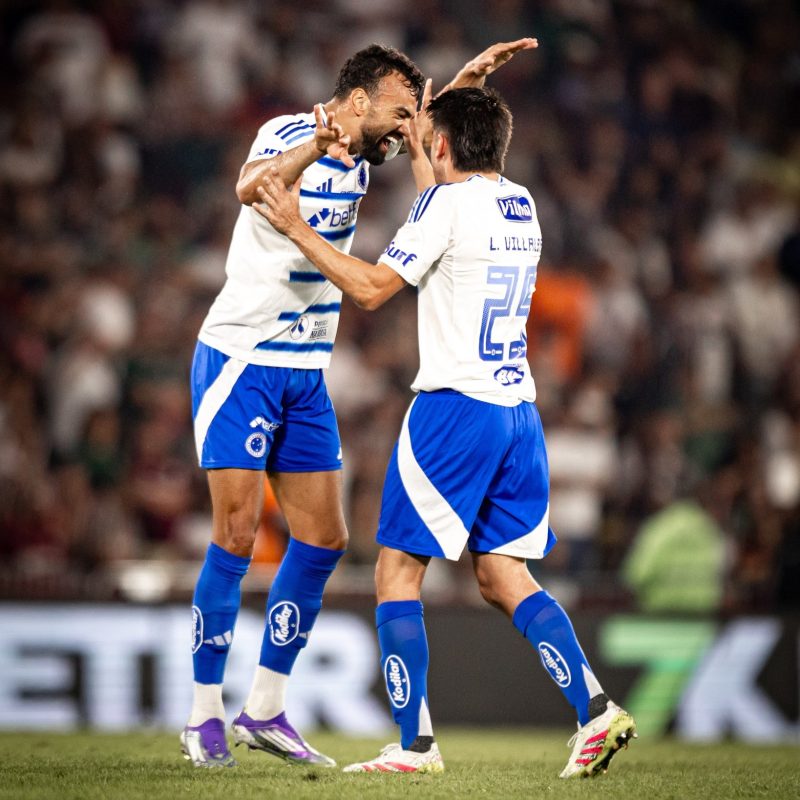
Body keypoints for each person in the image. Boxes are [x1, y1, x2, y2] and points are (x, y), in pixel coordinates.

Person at [255, 86, 637, 778]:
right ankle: (597, 710)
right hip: (517, 414)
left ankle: (414, 746)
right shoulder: (521, 205)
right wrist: (430, 142)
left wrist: (296, 227)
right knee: (501, 575)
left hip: (454, 410)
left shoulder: (444, 206)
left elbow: (372, 288)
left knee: (396, 572)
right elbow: (441, 209)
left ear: (440, 143)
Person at [183, 40, 539, 769]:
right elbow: (250, 186)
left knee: (324, 540)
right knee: (237, 535)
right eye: (398, 113)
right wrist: (314, 147)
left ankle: (265, 708)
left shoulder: (367, 156)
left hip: (306, 370)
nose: (406, 130)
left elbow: (435, 154)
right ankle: (202, 714)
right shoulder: (291, 132)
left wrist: (463, 87)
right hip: (242, 360)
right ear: (356, 102)